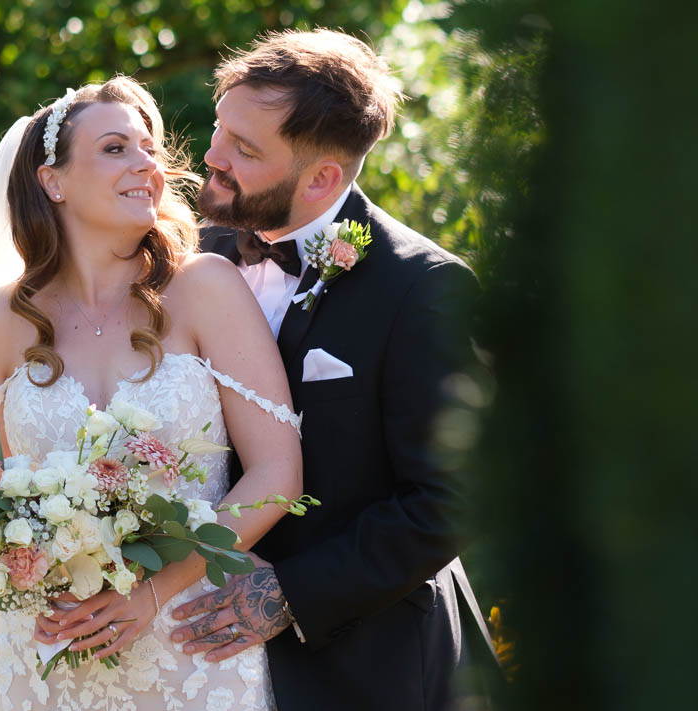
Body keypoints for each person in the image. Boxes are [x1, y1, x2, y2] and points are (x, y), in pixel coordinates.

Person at [0, 76, 304, 710]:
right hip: (54, 644)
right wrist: (41, 567)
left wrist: (153, 591)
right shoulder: (0, 319)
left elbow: (278, 472)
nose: (148, 163)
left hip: (191, 645)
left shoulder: (205, 287)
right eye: (117, 147)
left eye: (150, 147)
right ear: (52, 181)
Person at [170, 29, 486, 710]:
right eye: (221, 130)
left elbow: (452, 497)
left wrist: (292, 592)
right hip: (191, 658)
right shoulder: (189, 257)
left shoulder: (422, 289)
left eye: (245, 151)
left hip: (366, 665)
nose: (212, 159)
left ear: (322, 179)